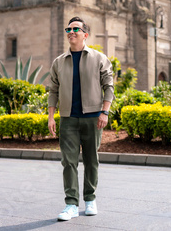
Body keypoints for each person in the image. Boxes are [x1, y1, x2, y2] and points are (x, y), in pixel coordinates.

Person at [48, 16, 114, 221]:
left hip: (93, 118)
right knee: (68, 162)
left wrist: (104, 112)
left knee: (91, 160)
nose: (71, 32)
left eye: (75, 29)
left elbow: (109, 87)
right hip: (68, 118)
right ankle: (71, 204)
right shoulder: (59, 62)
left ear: (85, 34)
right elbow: (53, 90)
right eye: (68, 29)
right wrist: (51, 117)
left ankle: (90, 199)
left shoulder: (99, 58)